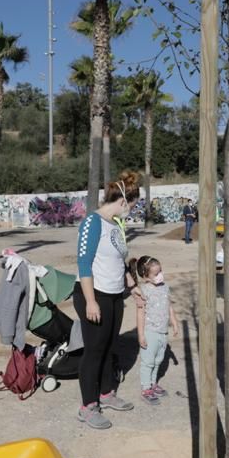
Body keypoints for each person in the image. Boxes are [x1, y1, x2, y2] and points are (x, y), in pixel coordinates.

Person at [73, 171, 143, 430]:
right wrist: (90, 301)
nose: (132, 211)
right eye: (133, 206)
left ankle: (106, 393)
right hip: (94, 295)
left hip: (114, 295)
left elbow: (119, 262)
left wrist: (132, 286)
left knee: (110, 346)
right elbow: (83, 262)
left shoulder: (116, 225)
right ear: (124, 201)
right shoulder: (93, 222)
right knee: (94, 350)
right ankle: (88, 406)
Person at [130, 255, 180, 405]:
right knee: (148, 362)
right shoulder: (143, 291)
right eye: (156, 273)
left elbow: (168, 305)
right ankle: (146, 388)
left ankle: (153, 384)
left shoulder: (165, 287)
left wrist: (175, 322)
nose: (160, 275)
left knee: (158, 359)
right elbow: (140, 314)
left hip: (163, 331)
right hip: (150, 332)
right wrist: (141, 335)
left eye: (160, 271)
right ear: (146, 275)